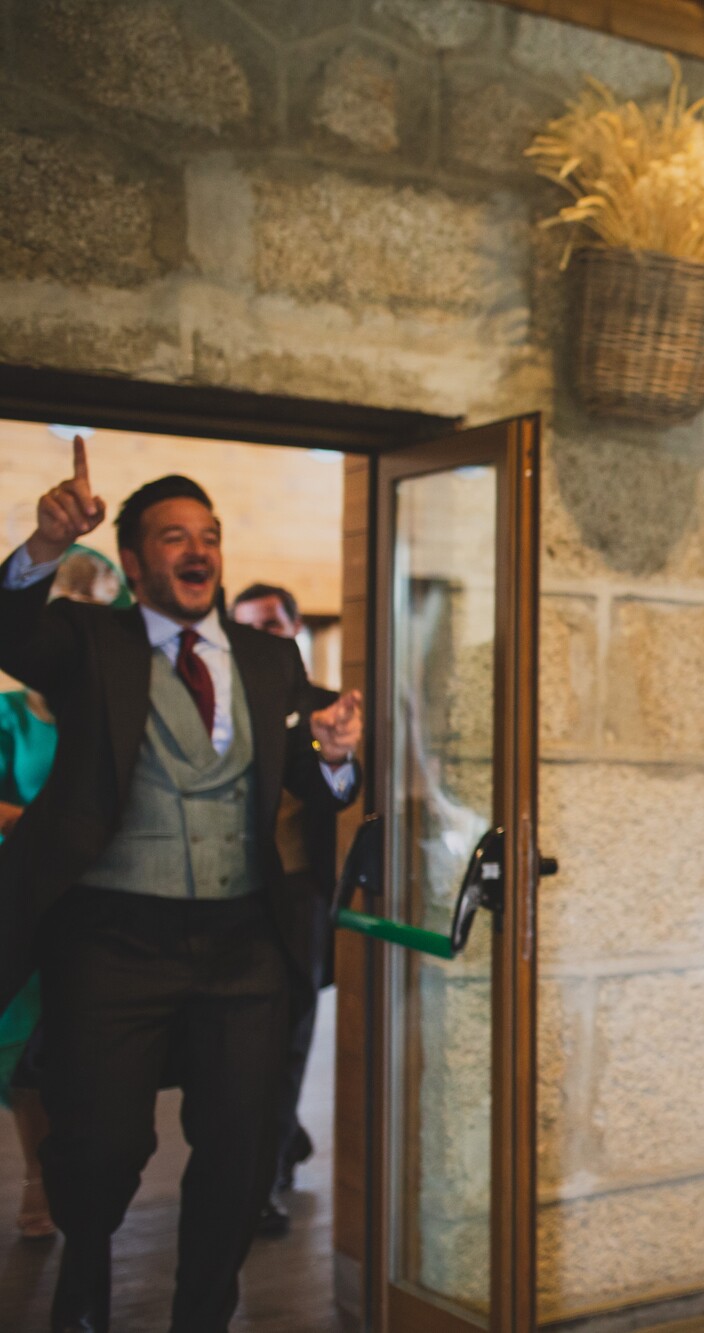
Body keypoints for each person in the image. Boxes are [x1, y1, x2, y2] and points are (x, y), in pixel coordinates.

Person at [0, 442, 363, 1333]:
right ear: (132, 560)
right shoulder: (91, 644)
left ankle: (205, 1312)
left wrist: (339, 757)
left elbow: (316, 780)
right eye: (172, 537)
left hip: (244, 945)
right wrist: (43, 546)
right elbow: (8, 630)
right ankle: (85, 1265)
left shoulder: (266, 659)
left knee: (242, 1153)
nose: (197, 551)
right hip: (112, 939)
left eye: (209, 535)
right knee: (101, 1148)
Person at [0, 548, 130, 1241]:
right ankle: (34, 1174)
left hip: (103, 895)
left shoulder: (111, 710)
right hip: (29, 889)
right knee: (25, 1043)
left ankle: (85, 1178)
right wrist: (44, 824)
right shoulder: (9, 715)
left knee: (89, 1041)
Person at [229, 582, 340, 1239]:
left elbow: (347, 786)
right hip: (232, 895)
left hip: (300, 893)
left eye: (272, 623)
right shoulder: (219, 705)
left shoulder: (326, 707)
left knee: (291, 1037)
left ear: (295, 626)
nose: (264, 637)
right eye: (249, 627)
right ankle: (278, 1140)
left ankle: (267, 1173)